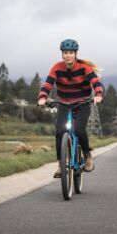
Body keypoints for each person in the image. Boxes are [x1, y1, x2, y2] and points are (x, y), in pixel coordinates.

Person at [38, 39, 103, 178]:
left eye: (71, 53)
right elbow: (47, 84)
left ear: (75, 54)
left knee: (79, 130)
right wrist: (42, 97)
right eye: (65, 53)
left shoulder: (84, 68)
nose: (68, 55)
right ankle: (61, 165)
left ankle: (87, 155)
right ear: (62, 54)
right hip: (64, 104)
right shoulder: (57, 67)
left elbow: (96, 82)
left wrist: (98, 95)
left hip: (82, 103)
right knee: (60, 131)